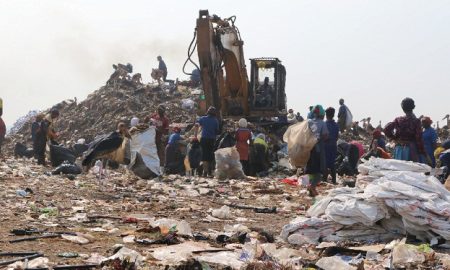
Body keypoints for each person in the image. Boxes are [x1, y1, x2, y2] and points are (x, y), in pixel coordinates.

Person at [384, 98, 425, 162]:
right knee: (411, 170)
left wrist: (395, 138)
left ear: (402, 108)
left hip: (399, 149)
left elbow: (386, 129)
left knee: (399, 170)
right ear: (413, 107)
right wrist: (423, 153)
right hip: (411, 150)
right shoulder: (416, 121)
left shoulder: (398, 119)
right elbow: (418, 139)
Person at [305, 105, 329, 196]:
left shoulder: (309, 122)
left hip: (308, 150)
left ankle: (311, 189)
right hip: (318, 150)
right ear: (322, 114)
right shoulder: (322, 123)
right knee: (319, 172)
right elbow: (325, 135)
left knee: (311, 170)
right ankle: (312, 187)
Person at [196, 106, 220, 177]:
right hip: (212, 140)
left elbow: (196, 125)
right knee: (210, 155)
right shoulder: (215, 120)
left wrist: (195, 135)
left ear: (208, 112)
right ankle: (209, 172)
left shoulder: (203, 118)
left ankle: (205, 172)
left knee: (204, 156)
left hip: (204, 139)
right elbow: (217, 131)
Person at [323, 107, 339, 184]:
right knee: (332, 164)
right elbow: (336, 137)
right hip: (333, 146)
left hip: (326, 146)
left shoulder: (325, 124)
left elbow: (324, 137)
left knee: (325, 163)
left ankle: (324, 180)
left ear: (326, 115)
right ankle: (334, 180)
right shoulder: (336, 125)